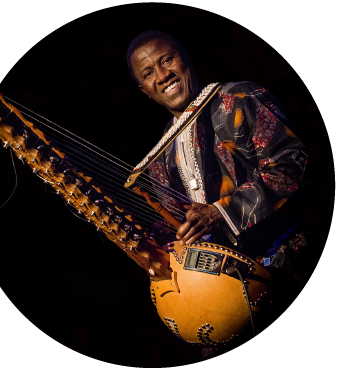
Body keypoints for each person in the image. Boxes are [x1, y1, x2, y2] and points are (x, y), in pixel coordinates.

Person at [127, 30, 309, 359]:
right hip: (222, 306)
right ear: (144, 91)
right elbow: (182, 228)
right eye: (148, 73)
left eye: (167, 60)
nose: (163, 75)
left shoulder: (238, 98)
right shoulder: (158, 159)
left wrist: (220, 211)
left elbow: (292, 166)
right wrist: (165, 241)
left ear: (185, 58)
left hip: (285, 271)